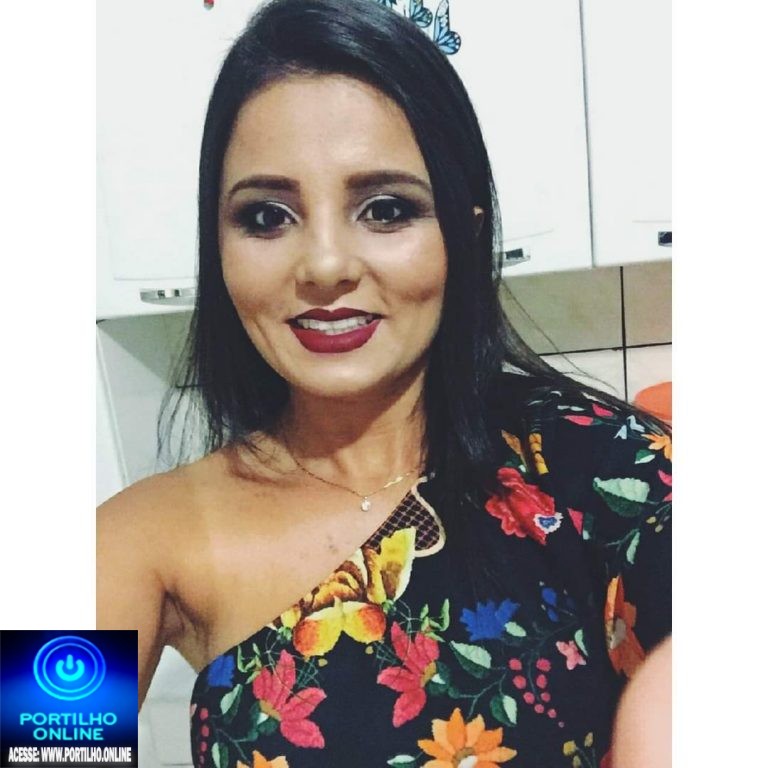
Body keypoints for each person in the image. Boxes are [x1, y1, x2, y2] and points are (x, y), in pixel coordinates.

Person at [97, 1, 672, 766]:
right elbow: (39, 733)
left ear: (463, 231)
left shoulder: (596, 462)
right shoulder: (138, 539)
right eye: (266, 217)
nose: (325, 265)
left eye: (387, 209)